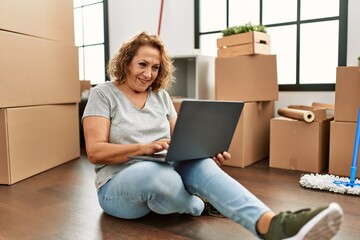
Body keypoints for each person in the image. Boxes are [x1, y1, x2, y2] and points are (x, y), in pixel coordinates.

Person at [82, 31, 343, 239]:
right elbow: (95, 152)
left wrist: (203, 148)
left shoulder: (160, 96)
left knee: (200, 164)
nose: (148, 74)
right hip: (118, 188)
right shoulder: (103, 94)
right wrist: (144, 148)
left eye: (155, 67)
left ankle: (272, 225)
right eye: (142, 64)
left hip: (164, 169)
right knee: (158, 177)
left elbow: (181, 137)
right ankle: (198, 205)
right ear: (126, 61)